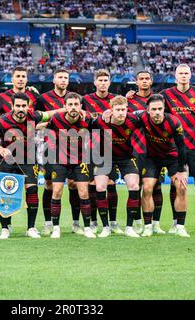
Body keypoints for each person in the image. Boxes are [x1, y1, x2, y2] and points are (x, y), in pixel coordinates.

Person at [160, 64, 195, 235]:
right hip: (175, 148)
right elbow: (153, 110)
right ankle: (175, 222)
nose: (183, 76)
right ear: (175, 76)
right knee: (175, 184)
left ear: (190, 75)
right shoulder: (166, 95)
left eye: (186, 73)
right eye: (180, 73)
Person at [0, 92, 52, 239]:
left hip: (28, 161)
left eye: (24, 106)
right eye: (17, 105)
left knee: (32, 191)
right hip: (7, 161)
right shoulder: (3, 121)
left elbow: (51, 113)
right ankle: (5, 228)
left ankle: (31, 228)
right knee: (5, 193)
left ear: (28, 107)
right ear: (12, 106)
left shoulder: (33, 116)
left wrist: (68, 110)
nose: (21, 108)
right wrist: (1, 149)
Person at [44, 92, 96, 239]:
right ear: (65, 107)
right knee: (57, 191)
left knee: (84, 193)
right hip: (59, 160)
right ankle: (56, 228)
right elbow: (45, 129)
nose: (73, 107)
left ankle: (86, 228)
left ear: (81, 107)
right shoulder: (56, 119)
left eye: (76, 104)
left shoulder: (87, 120)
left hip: (80, 161)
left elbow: (100, 126)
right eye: (70, 104)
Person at [35, 69, 80, 236]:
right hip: (50, 149)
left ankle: (76, 223)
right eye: (60, 77)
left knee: (74, 184)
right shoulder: (44, 98)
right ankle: (48, 223)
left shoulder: (74, 98)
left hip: (73, 149)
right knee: (49, 185)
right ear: (54, 79)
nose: (63, 80)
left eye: (66, 78)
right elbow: (36, 121)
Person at [137, 94, 189, 237]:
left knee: (181, 186)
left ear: (164, 108)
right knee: (147, 188)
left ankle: (180, 227)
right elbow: (125, 115)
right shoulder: (141, 117)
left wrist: (181, 171)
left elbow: (182, 147)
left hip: (172, 157)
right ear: (148, 110)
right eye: (154, 109)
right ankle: (148, 226)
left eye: (160, 108)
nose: (157, 112)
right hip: (152, 158)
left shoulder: (174, 122)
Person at [93, 96, 141, 238]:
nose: (121, 113)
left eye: (123, 109)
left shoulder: (133, 120)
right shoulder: (101, 121)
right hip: (105, 156)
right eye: (118, 110)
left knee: (134, 186)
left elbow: (147, 115)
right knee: (100, 187)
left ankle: (129, 227)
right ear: (111, 110)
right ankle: (106, 227)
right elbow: (87, 126)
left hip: (126, 157)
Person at [82, 69, 122, 235]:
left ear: (109, 82)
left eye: (106, 80)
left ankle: (112, 222)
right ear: (95, 83)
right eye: (101, 80)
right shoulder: (86, 100)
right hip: (93, 149)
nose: (103, 83)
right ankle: (93, 221)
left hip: (113, 149)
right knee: (93, 185)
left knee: (111, 185)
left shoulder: (115, 100)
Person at [126, 70, 166, 234]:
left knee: (156, 187)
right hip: (136, 150)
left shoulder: (158, 100)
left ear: (151, 81)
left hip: (156, 150)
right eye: (141, 79)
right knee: (136, 187)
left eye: (147, 79)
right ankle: (137, 222)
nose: (144, 81)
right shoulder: (129, 100)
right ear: (136, 82)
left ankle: (155, 223)